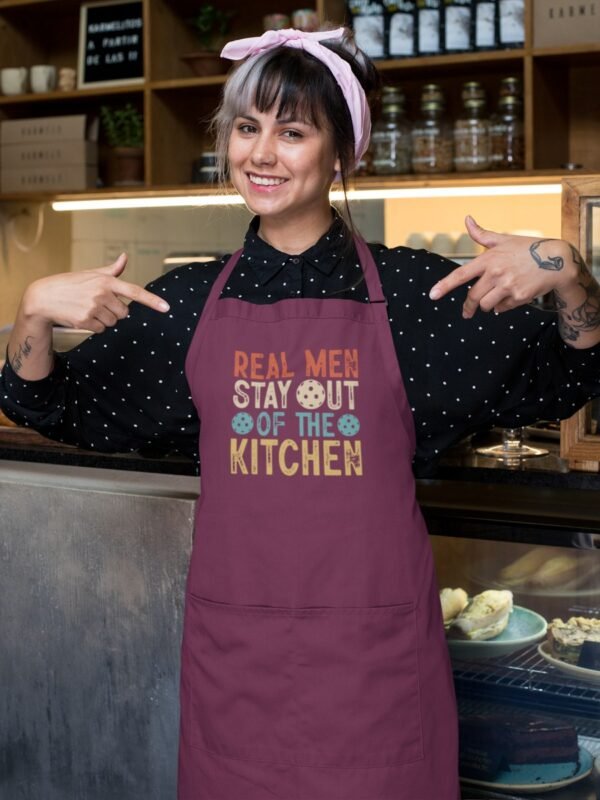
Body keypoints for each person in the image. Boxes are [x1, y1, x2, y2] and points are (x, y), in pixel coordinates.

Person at [1, 26, 600, 800]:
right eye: (247, 127)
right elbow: (46, 401)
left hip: (376, 670)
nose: (262, 153)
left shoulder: (416, 297)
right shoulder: (185, 303)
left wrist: (568, 271)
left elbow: (570, 372)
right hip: (238, 669)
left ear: (342, 153)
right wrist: (33, 311)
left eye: (292, 132)